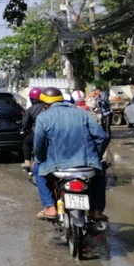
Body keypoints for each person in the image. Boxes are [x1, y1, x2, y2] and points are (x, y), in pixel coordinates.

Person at [33, 86, 110, 221]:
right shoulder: (82, 113)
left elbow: (39, 145)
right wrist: (95, 157)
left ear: (45, 104)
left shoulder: (43, 118)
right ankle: (97, 211)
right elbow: (102, 137)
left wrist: (39, 159)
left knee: (37, 169)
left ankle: (50, 207)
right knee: (100, 172)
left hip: (57, 169)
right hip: (87, 167)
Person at [20, 87, 44, 173]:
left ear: (32, 99)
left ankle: (27, 163)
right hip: (50, 131)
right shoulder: (47, 107)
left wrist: (24, 129)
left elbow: (25, 124)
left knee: (26, 143)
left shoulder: (30, 110)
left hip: (36, 132)